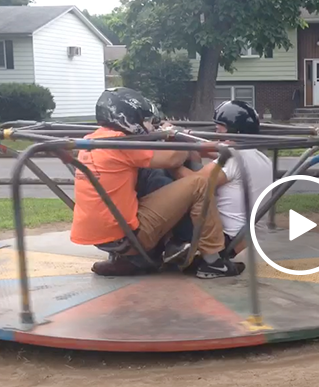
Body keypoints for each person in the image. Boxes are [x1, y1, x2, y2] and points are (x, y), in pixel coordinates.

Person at [70, 87, 245, 279]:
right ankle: (213, 262)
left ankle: (143, 257)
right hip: (128, 236)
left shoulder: (94, 139)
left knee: (150, 174)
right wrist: (177, 135)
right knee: (199, 183)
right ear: (127, 117)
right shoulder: (120, 142)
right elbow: (172, 159)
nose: (146, 124)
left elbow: (155, 162)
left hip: (103, 235)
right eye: (143, 118)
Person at [163, 100, 273, 262]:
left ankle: (175, 245)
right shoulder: (260, 157)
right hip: (248, 237)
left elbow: (194, 183)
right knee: (192, 160)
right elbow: (210, 151)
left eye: (219, 128)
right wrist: (187, 140)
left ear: (233, 130)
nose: (216, 132)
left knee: (168, 188)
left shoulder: (234, 160)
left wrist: (170, 164)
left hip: (228, 239)